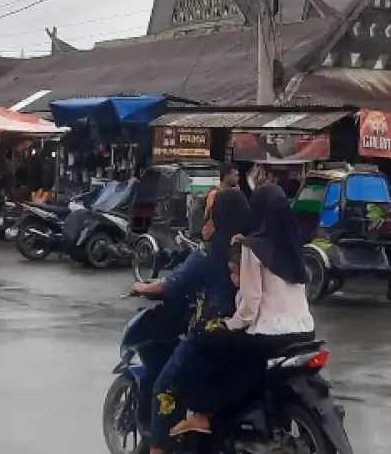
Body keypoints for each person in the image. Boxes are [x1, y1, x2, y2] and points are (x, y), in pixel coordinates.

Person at [172, 184, 316, 437]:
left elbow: (250, 307)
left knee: (204, 338)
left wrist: (230, 324)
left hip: (271, 336)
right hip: (305, 333)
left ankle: (203, 414)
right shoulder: (294, 245)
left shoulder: (253, 247)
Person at [129, 188, 252, 454]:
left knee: (163, 388)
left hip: (212, 334)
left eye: (212, 210)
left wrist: (142, 287)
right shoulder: (251, 245)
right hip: (249, 334)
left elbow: (174, 284)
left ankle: (158, 449)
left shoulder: (210, 251)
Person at [200, 163, 240, 240]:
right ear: (226, 176)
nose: (238, 178)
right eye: (235, 175)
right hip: (218, 236)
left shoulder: (236, 193)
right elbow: (209, 215)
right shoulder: (215, 194)